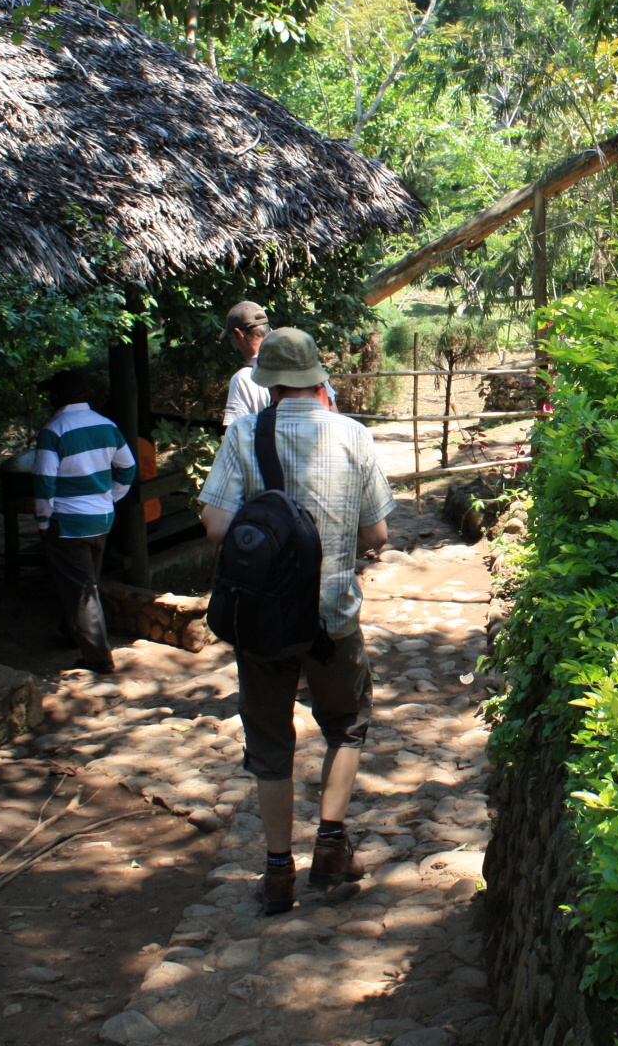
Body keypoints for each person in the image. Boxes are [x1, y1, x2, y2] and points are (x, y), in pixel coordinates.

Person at [198, 327, 394, 912]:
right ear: (315, 377)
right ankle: (331, 844)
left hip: (263, 621)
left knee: (269, 743)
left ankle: (277, 871)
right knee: (347, 725)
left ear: (270, 384)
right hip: (332, 617)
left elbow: (213, 525)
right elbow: (377, 533)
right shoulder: (353, 435)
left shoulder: (243, 435)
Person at [32, 370, 135, 674]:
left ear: (57, 396)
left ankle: (97, 656)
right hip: (100, 518)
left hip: (67, 523)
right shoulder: (107, 426)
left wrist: (42, 520)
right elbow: (127, 467)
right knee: (86, 579)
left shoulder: (53, 430)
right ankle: (71, 632)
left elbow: (43, 482)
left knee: (81, 589)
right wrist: (110, 497)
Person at [221, 300, 274, 427]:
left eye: (232, 338)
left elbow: (236, 434)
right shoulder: (305, 366)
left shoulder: (244, 378)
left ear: (239, 334)